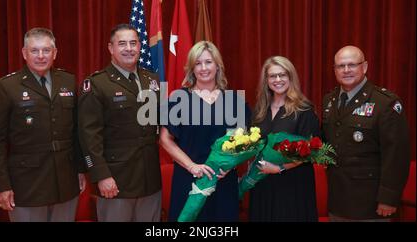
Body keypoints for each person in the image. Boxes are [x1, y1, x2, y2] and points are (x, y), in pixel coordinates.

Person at [0, 27, 86, 222]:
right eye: (34, 50)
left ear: (55, 53)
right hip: (26, 184)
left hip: (64, 181)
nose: (41, 56)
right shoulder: (8, 87)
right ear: (24, 53)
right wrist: (2, 185)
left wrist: (80, 169)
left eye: (46, 50)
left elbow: (77, 131)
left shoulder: (68, 80)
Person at [78, 24, 161, 222]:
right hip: (115, 181)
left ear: (140, 47)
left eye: (133, 43)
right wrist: (101, 176)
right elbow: (89, 136)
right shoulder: (97, 84)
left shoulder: (152, 79)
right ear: (110, 48)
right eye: (122, 43)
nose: (129, 48)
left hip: (150, 179)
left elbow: (156, 127)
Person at [159, 41, 250, 222]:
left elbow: (245, 141)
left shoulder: (234, 101)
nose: (203, 68)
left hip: (222, 181)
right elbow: (164, 139)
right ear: (191, 69)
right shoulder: (179, 99)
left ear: (218, 65)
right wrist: (192, 166)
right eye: (197, 63)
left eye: (208, 62)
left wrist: (230, 164)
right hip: (189, 179)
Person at [322, 45, 410, 221]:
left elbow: (397, 155)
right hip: (338, 201)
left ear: (365, 67)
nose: (346, 70)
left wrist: (388, 198)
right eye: (340, 66)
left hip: (370, 204)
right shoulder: (329, 100)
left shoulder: (385, 103)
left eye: (352, 64)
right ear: (334, 70)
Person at [248, 56, 319, 222]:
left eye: (282, 75)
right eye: (272, 76)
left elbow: (312, 151)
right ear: (266, 80)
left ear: (290, 77)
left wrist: (279, 168)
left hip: (293, 187)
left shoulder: (304, 110)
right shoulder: (259, 110)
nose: (277, 80)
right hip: (262, 184)